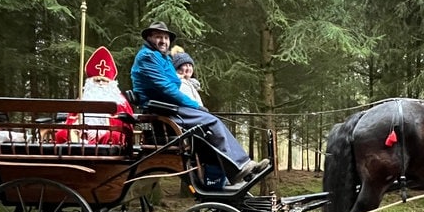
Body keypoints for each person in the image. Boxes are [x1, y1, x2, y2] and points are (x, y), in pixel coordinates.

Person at [130, 21, 268, 183]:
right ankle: (241, 166)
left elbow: (173, 84)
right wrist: (196, 106)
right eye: (158, 37)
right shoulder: (147, 57)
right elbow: (166, 88)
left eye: (166, 38)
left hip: (168, 106)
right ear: (149, 38)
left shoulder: (162, 58)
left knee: (207, 132)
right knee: (211, 122)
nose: (163, 41)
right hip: (161, 110)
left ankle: (237, 171)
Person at [56, 46, 134, 145]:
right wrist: (80, 129)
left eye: (104, 81)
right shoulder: (82, 99)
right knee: (62, 134)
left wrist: (101, 131)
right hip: (82, 135)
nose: (101, 83)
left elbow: (126, 126)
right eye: (97, 80)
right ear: (90, 82)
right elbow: (70, 122)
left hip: (107, 134)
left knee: (113, 136)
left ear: (111, 83)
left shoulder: (120, 101)